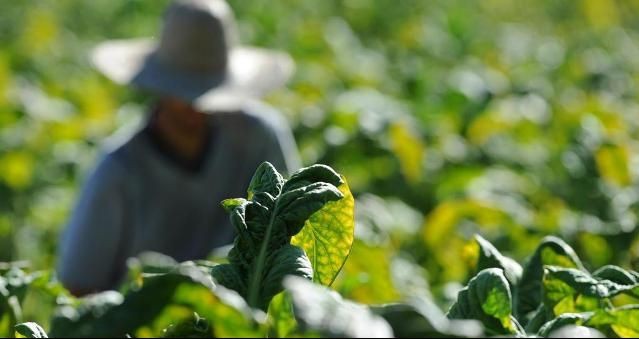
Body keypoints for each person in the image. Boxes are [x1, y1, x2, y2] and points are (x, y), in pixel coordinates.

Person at [57, 0, 301, 296]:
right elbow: (79, 286)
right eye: (183, 93)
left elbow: (289, 237)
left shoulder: (260, 137)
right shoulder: (119, 172)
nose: (193, 107)